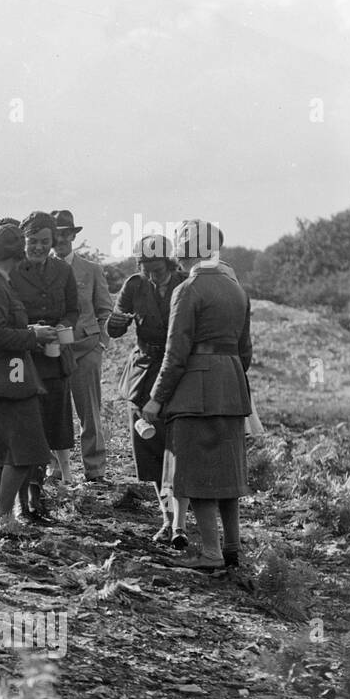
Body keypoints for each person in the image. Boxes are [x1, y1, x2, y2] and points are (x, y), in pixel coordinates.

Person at [143, 221, 252, 571]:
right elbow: (246, 351)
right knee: (228, 473)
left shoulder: (188, 289)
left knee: (197, 473)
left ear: (187, 247)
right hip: (232, 385)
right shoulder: (236, 288)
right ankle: (232, 547)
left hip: (196, 391)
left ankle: (210, 552)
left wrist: (155, 400)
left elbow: (175, 355)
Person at [0, 223, 57, 537]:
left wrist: (29, 331)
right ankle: (1, 517)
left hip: (3, 375)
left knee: (1, 450)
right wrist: (32, 334)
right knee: (27, 449)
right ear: (16, 252)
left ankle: (1, 518)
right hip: (6, 377)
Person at [108, 235, 189, 546]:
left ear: (170, 263)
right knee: (150, 447)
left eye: (158, 269)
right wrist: (116, 322)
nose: (153, 276)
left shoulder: (185, 282)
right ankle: (167, 519)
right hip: (144, 371)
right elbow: (115, 329)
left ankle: (180, 518)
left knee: (179, 446)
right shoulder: (134, 285)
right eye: (147, 269)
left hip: (178, 370)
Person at [9, 210, 79, 516]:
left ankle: (37, 493)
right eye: (33, 241)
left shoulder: (62, 270)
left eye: (45, 242)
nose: (39, 247)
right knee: (25, 428)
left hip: (54, 359)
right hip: (21, 360)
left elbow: (74, 309)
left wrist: (61, 327)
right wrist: (30, 331)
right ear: (23, 241)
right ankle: (19, 499)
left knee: (50, 427)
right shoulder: (9, 271)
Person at [51, 210, 112, 483]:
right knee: (52, 409)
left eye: (65, 233)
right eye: (55, 234)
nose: (60, 239)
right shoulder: (38, 268)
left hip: (86, 349)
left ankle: (95, 469)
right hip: (51, 351)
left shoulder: (92, 270)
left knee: (89, 411)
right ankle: (54, 467)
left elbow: (105, 310)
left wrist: (101, 341)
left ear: (74, 235)